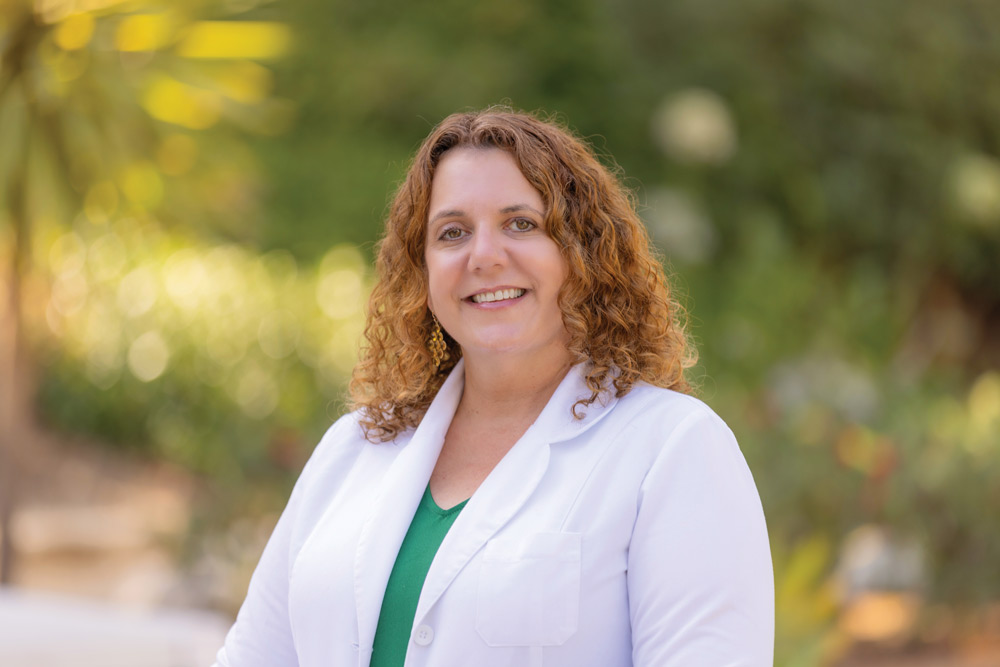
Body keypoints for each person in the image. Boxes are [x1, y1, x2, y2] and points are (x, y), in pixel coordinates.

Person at [213, 108, 774, 667]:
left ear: (582, 253)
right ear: (423, 269)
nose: (484, 256)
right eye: (452, 233)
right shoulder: (353, 448)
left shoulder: (673, 450)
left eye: (521, 224)